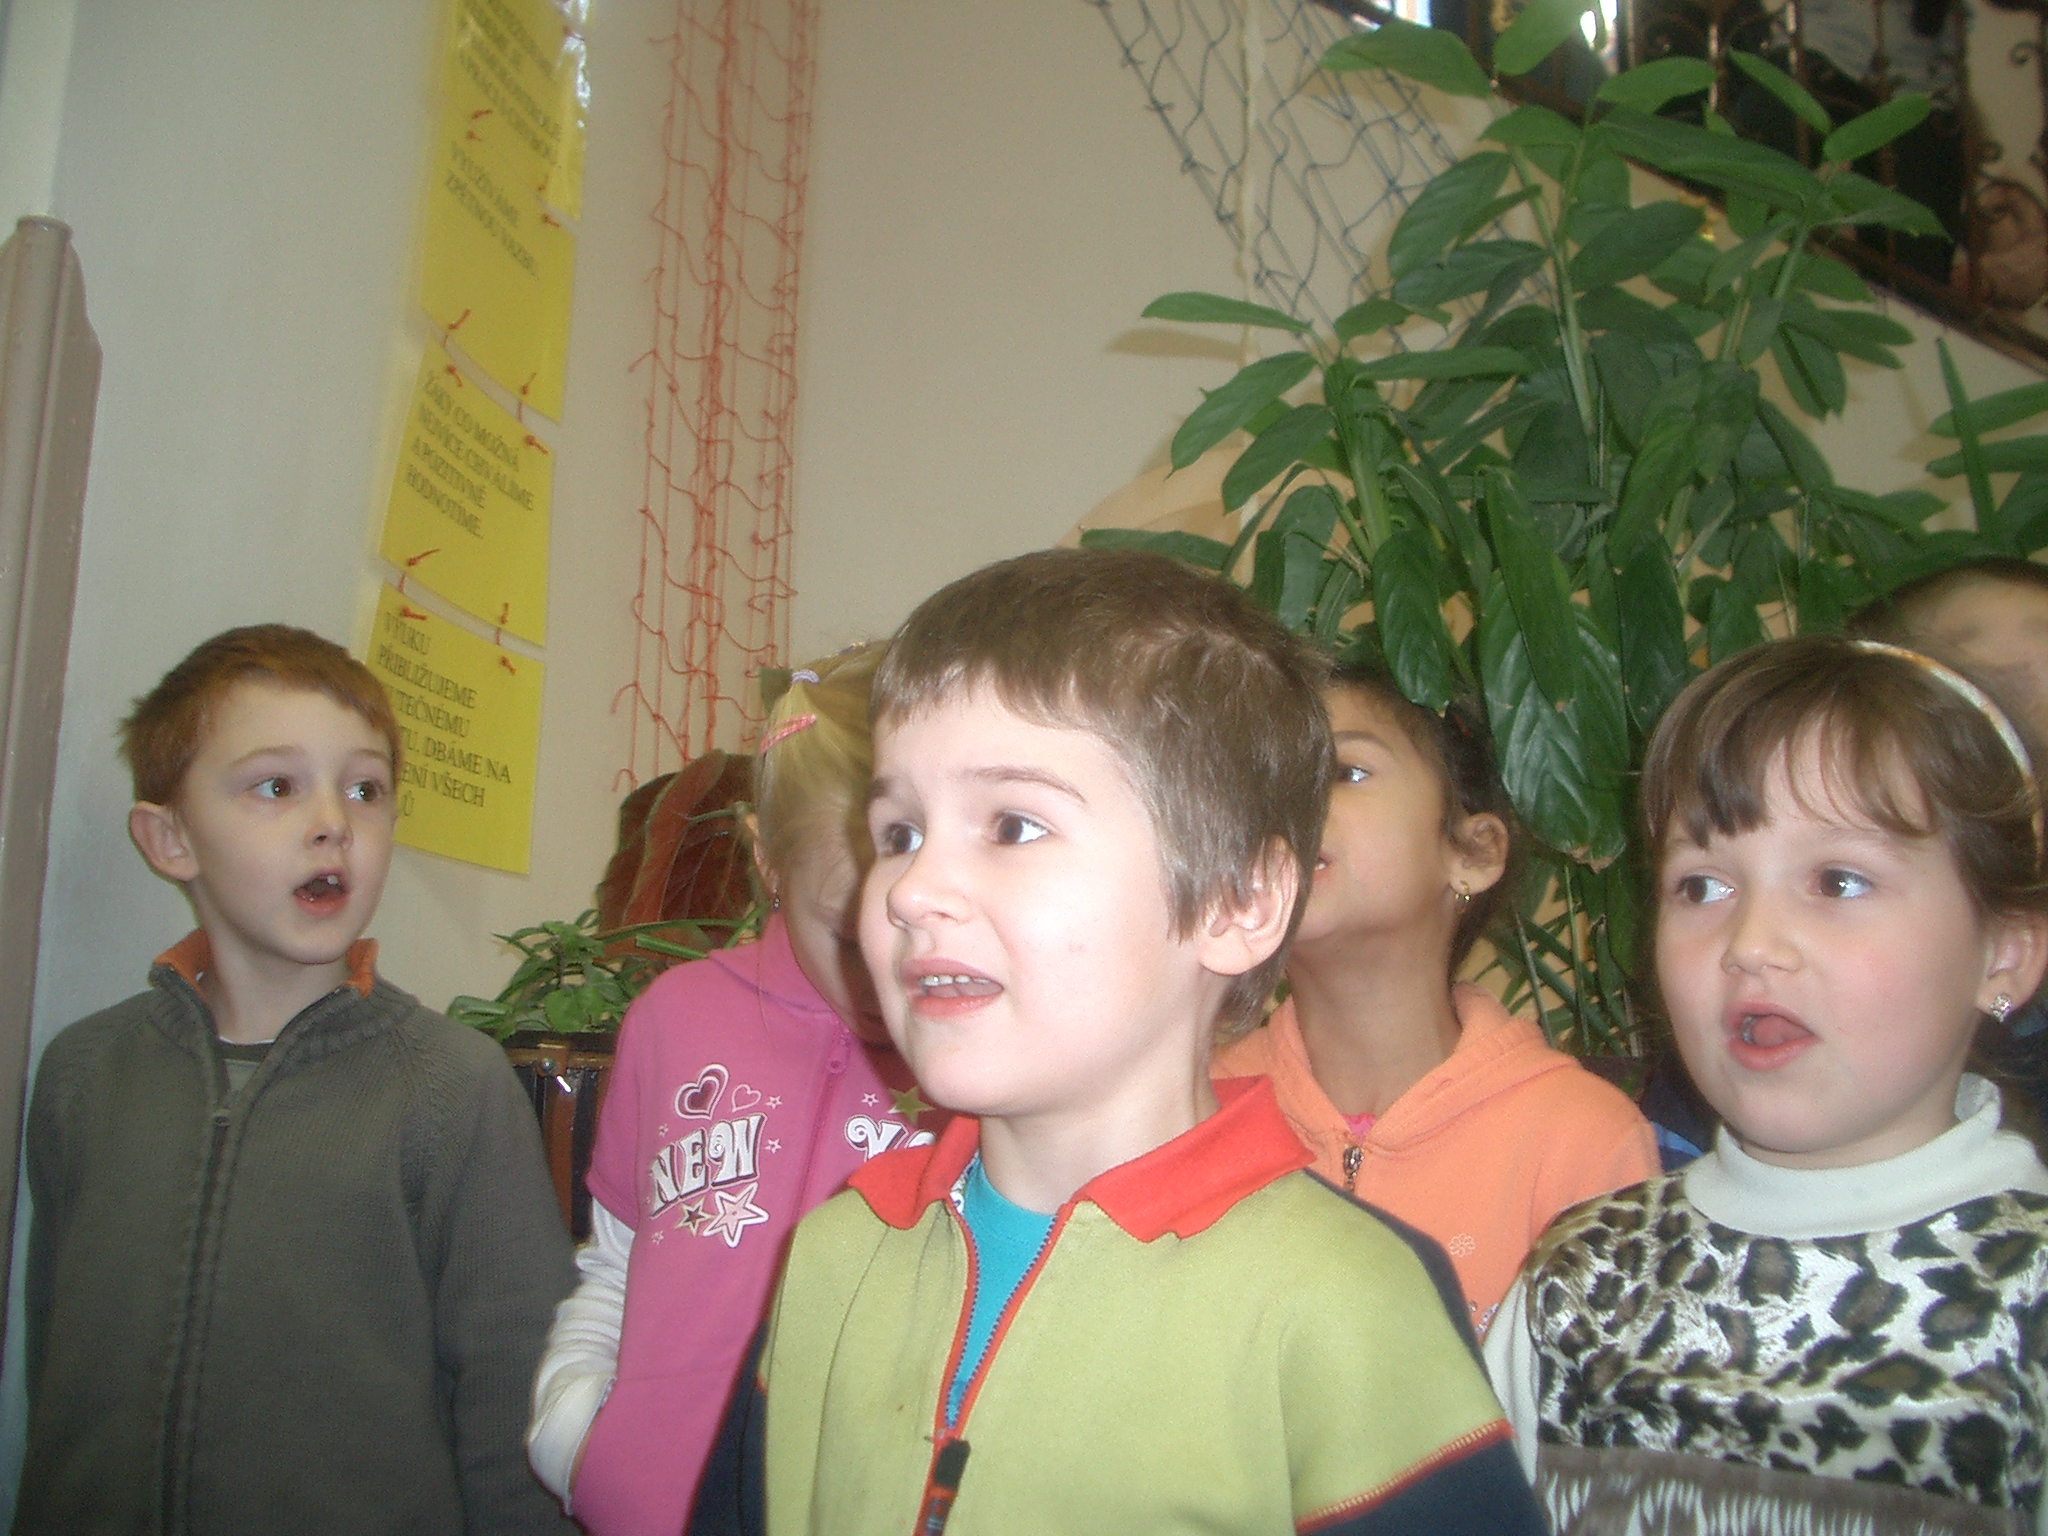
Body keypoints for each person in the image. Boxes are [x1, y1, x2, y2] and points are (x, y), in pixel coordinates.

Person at [692, 548, 1545, 1536]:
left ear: (1237, 901)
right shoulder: (836, 1257)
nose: (912, 891)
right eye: (899, 834)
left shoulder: (1344, 1304)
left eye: (1012, 826)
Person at [14, 624, 575, 1536]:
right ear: (170, 838)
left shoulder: (450, 1087)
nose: (333, 822)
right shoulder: (84, 1074)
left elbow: (518, 1410)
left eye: (365, 789)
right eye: (276, 786)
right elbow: (57, 1371)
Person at [1485, 634, 2048, 1534]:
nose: (1750, 944)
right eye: (1701, 887)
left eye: (1839, 881)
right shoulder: (1580, 1280)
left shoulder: (2026, 1295)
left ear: (2005, 953)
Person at [527, 644, 944, 1536]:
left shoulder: (980, 1055)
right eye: (845, 932)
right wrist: (572, 1431)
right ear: (768, 863)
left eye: (903, 922)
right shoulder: (671, 1019)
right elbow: (615, 1261)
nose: (884, 969)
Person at [1213, 666, 1658, 1338]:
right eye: (1265, 787)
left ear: (1473, 854)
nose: (1289, 809)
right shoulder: (1194, 1107)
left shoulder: (1581, 1139)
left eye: (1345, 773)